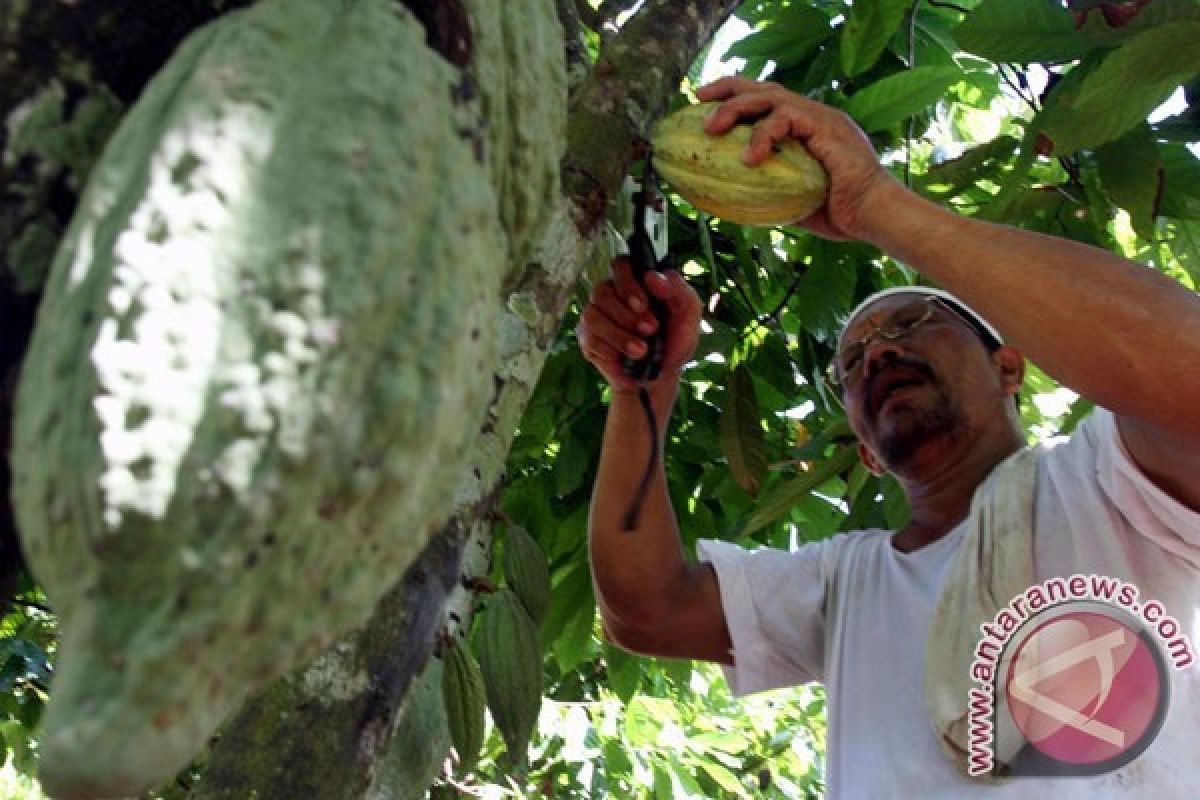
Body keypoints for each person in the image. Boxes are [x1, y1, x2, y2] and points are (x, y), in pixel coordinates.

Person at [578, 77, 1200, 798]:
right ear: (867, 452)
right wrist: (643, 391)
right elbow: (645, 608)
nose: (876, 354)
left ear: (1008, 366)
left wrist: (876, 205)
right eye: (851, 361)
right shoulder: (848, 584)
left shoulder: (1106, 487)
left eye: (911, 325)